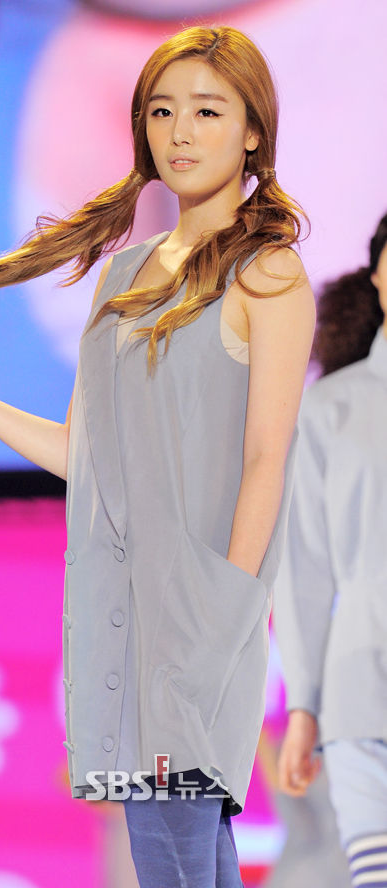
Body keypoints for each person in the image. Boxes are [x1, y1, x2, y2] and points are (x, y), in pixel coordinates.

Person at [0, 24, 315, 888]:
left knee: (177, 854)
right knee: (179, 858)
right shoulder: (123, 276)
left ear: (252, 131)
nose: (181, 132)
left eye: (208, 111)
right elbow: (83, 456)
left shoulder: (269, 274)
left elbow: (266, 460)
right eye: (162, 111)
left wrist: (220, 621)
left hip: (199, 622)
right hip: (116, 617)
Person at [274, 213, 387, 888]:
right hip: (361, 695)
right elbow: (304, 573)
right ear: (376, 276)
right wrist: (304, 710)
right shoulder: (331, 408)